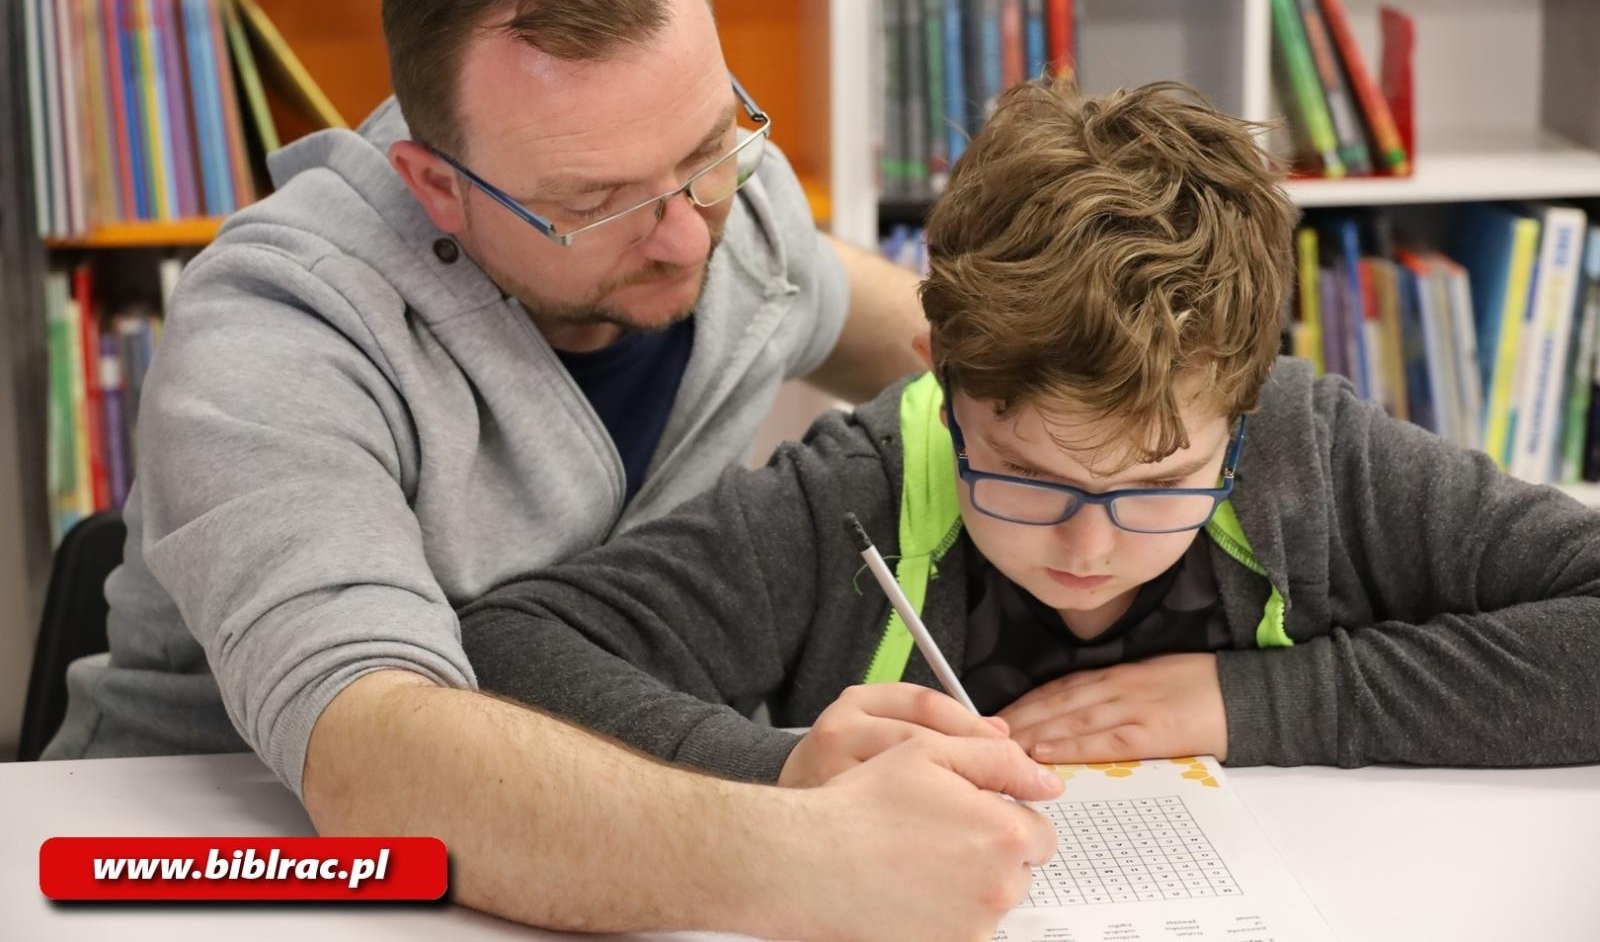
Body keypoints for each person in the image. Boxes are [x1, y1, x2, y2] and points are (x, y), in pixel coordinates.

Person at [42, 0, 1068, 939]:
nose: (687, 235)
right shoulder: (278, 327)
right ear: (437, 186)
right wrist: (806, 849)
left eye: (708, 148)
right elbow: (367, 756)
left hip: (625, 851)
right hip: (219, 868)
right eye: (595, 203)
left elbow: (999, 369)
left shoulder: (732, 214)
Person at [457, 75, 1600, 793]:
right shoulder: (849, 494)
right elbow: (509, 648)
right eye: (1025, 476)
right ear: (941, 376)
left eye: (1157, 483)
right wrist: (780, 764)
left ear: (1244, 405)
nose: (1086, 548)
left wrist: (1263, 702)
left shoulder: (1313, 453)